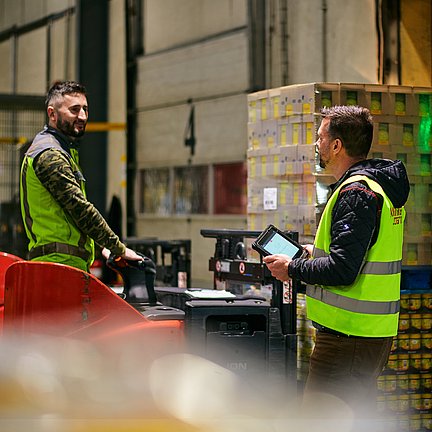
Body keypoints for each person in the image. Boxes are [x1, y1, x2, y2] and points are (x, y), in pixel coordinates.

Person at [264, 105, 410, 417]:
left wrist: (292, 269)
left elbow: (343, 269)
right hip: (365, 335)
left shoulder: (356, 192)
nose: (316, 145)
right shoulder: (375, 187)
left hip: (348, 337)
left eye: (320, 138)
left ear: (336, 145)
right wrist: (309, 255)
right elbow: (357, 256)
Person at [20, 81, 142, 272]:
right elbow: (80, 209)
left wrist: (102, 247)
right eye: (75, 110)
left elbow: (70, 216)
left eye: (85, 109)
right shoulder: (50, 155)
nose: (83, 116)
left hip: (64, 264)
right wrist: (118, 248)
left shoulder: (62, 150)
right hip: (58, 266)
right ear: (52, 114)